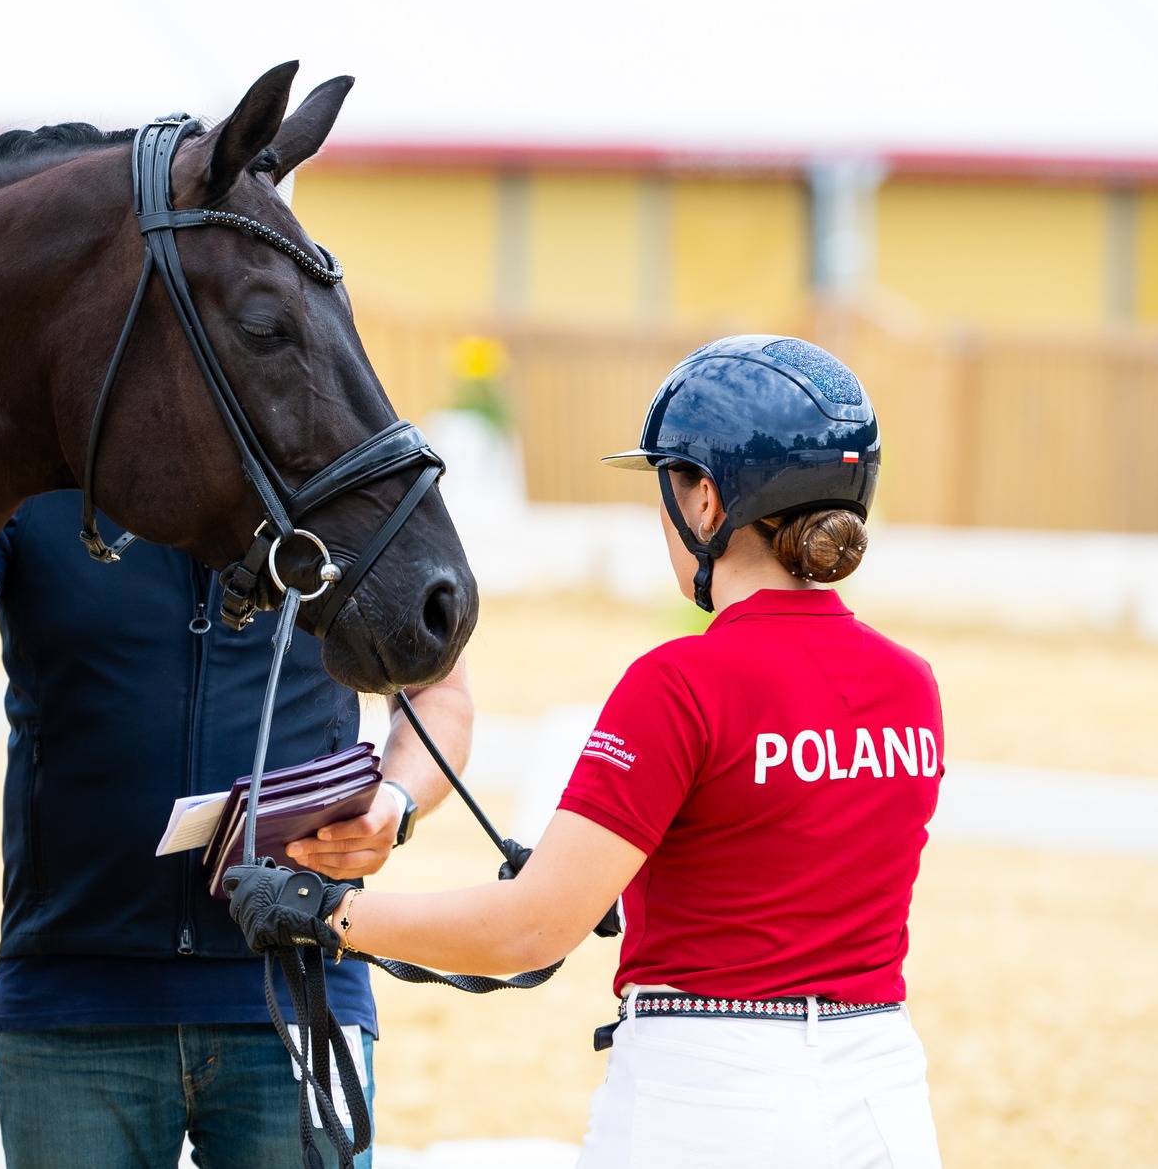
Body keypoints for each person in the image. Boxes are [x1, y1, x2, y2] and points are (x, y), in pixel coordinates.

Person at [224, 336, 945, 1169]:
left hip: (712, 1095)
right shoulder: (911, 683)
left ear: (706, 501)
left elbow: (530, 929)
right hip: (880, 1088)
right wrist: (608, 877)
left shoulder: (679, 682)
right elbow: (782, 861)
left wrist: (326, 914)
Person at [0, 489, 473, 1169]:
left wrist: (396, 801)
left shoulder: (340, 478)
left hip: (299, 992)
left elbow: (438, 694)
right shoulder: (25, 479)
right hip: (73, 1006)